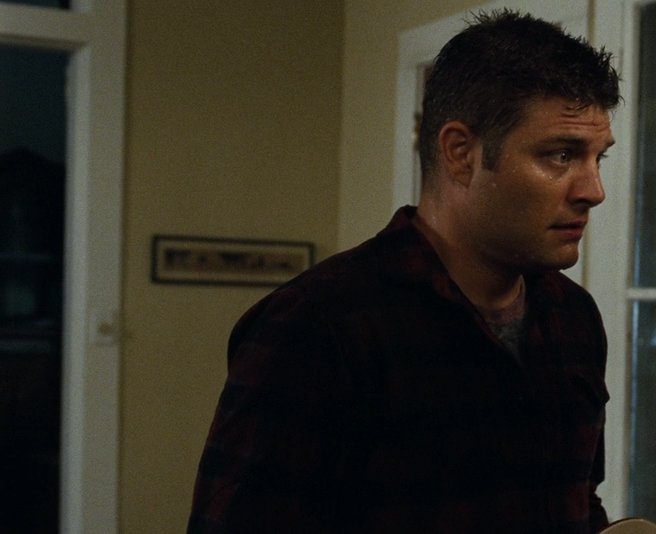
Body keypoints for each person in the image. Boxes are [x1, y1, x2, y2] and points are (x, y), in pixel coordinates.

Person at [188, 10, 619, 533]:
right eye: (561, 155)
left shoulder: (572, 317)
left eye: (598, 158)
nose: (593, 190)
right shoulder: (317, 326)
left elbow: (576, 499)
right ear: (461, 153)